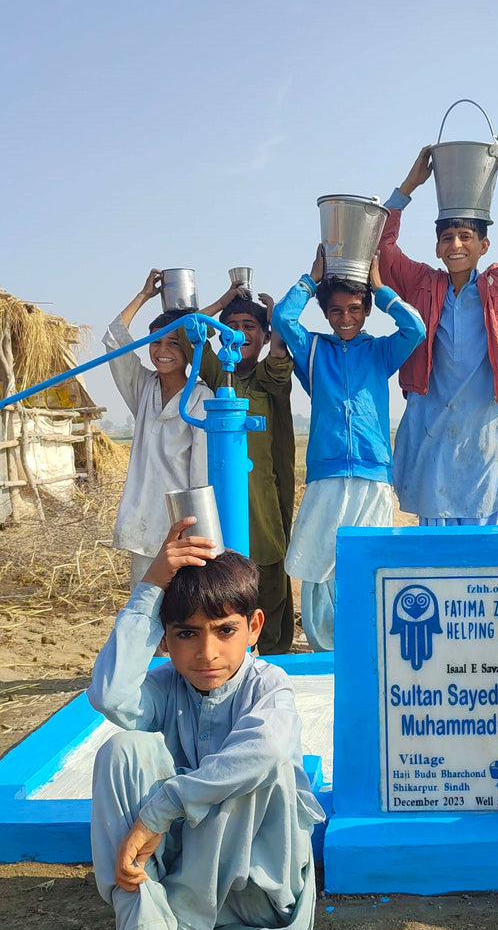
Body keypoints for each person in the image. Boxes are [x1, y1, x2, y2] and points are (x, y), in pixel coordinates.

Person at [37, 519, 323, 930]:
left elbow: (266, 751)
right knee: (122, 751)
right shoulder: (167, 687)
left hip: (252, 894)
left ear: (254, 627)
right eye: (186, 634)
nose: (207, 652)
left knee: (254, 767)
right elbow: (109, 696)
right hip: (174, 882)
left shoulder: (268, 686)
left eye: (225, 630)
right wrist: (150, 589)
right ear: (165, 640)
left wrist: (160, 810)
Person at [377, 143, 498, 525]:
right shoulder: (420, 284)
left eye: (466, 236)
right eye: (447, 237)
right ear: (437, 247)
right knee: (434, 525)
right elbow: (379, 246)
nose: (456, 245)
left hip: (487, 426)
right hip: (432, 424)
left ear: (484, 245)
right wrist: (408, 187)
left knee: (481, 523)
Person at [271, 248, 425, 651]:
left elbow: (415, 328)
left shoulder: (380, 352)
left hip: (373, 471)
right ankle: (324, 642)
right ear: (325, 314)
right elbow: (283, 319)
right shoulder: (313, 350)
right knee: (319, 557)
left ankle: (365, 641)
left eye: (355, 309)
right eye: (336, 311)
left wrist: (379, 287)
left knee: (367, 557)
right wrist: (310, 280)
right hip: (328, 472)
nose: (346, 318)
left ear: (367, 310)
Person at [179, 283, 295, 655]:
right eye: (232, 326)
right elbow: (187, 332)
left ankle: (275, 654)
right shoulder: (220, 376)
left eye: (250, 326)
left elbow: (280, 356)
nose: (241, 333)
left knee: (270, 572)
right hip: (226, 491)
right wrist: (222, 302)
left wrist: (278, 320)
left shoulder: (269, 378)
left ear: (265, 336)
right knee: (229, 572)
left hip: (263, 493)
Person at [103, 270, 210, 589]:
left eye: (173, 343)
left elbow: (201, 473)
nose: (162, 350)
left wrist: (198, 529)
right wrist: (144, 295)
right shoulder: (143, 387)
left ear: (188, 349)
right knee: (144, 603)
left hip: (182, 526)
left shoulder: (201, 397)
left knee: (181, 607)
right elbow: (114, 340)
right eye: (156, 342)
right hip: (144, 523)